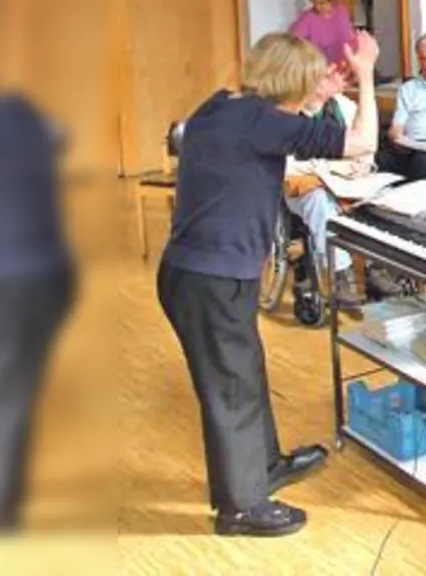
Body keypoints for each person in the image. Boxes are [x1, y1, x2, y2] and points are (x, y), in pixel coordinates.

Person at [160, 30, 382, 537]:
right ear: (291, 84)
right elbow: (362, 143)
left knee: (245, 372)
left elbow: (276, 130)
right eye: (308, 82)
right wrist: (366, 74)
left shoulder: (223, 106)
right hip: (212, 279)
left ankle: (264, 467)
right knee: (231, 388)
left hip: (201, 274)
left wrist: (317, 95)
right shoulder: (262, 123)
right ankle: (240, 508)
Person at [0, 95, 73, 531]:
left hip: (19, 278)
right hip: (30, 276)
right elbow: (59, 137)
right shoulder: (21, 115)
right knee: (10, 395)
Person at [282, 63, 369, 311]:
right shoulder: (290, 112)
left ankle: (379, 268)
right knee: (319, 200)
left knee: (382, 198)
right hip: (303, 186)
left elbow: (366, 146)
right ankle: (340, 274)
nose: (342, 81)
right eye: (334, 77)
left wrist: (364, 164)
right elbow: (286, 165)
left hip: (346, 183)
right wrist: (329, 168)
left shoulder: (346, 107)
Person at [375, 33, 426, 180]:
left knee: (422, 162)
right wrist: (397, 136)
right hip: (413, 146)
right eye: (422, 59)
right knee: (380, 159)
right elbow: (396, 129)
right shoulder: (408, 88)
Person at [288, 0, 356, 66]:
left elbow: (349, 32)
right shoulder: (308, 18)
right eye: (314, 2)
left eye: (322, 2)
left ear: (331, 0)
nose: (317, 6)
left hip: (347, 60)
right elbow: (295, 39)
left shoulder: (341, 10)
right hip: (324, 65)